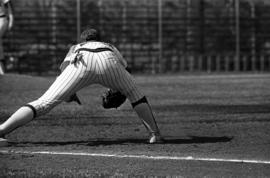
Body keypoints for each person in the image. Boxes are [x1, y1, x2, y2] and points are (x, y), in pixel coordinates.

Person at [0, 28, 163, 146]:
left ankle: (2, 130)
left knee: (43, 103)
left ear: (83, 41)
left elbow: (64, 70)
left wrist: (69, 92)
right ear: (100, 39)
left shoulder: (75, 47)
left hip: (81, 62)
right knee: (137, 95)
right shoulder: (110, 45)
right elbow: (126, 69)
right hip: (108, 61)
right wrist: (122, 90)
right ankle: (154, 134)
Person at [0, 0, 13, 75]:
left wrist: (11, 19)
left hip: (2, 19)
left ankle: (1, 66)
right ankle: (1, 67)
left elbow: (9, 8)